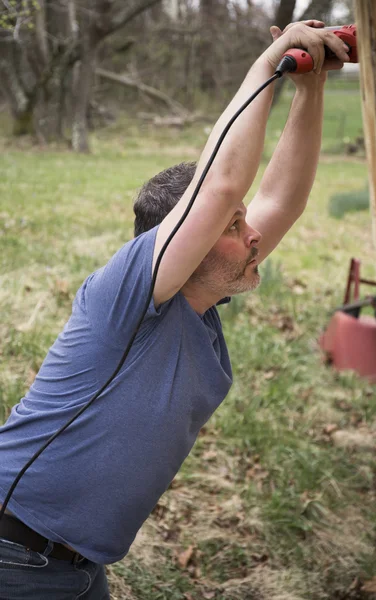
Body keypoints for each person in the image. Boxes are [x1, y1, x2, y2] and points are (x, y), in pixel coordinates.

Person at [0, 20, 349, 599]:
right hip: (15, 555)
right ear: (182, 243)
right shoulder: (124, 300)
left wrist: (311, 90)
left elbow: (282, 197)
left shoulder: (200, 304)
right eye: (234, 226)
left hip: (78, 567)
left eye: (243, 221)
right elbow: (219, 186)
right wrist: (267, 68)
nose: (255, 234)